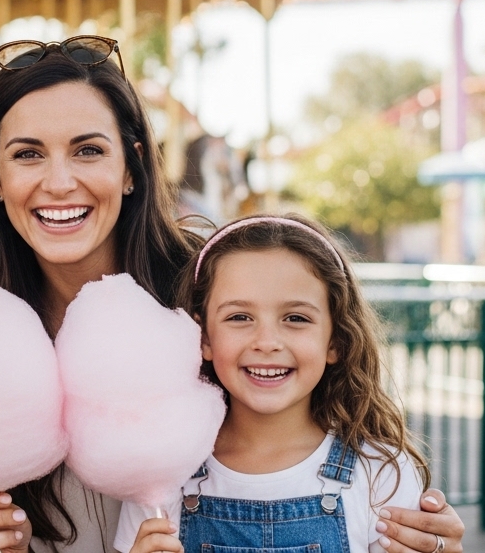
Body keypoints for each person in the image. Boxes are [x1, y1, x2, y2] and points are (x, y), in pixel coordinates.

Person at [0, 44, 464, 553]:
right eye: (27, 154)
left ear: (131, 168)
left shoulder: (213, 294)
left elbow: (334, 431)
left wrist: (429, 538)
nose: (59, 182)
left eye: (89, 150)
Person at [117, 214, 431, 553]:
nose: (266, 342)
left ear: (335, 341)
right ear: (203, 337)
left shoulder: (380, 474)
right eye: (239, 317)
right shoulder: (161, 472)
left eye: (296, 318)